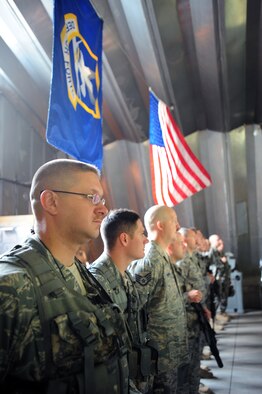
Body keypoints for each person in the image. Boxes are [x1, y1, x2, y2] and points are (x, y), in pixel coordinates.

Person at [0, 159, 130, 394]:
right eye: (92, 197)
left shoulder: (83, 273)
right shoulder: (12, 286)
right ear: (51, 202)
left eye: (101, 199)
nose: (103, 208)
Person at [89, 208, 156, 393]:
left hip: (133, 373)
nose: (146, 239)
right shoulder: (97, 281)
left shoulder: (124, 274)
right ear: (124, 239)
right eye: (142, 233)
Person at [128, 205, 188, 394]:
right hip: (159, 356)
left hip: (170, 351)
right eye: (174, 220)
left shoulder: (162, 257)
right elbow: (134, 310)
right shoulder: (150, 261)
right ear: (160, 225)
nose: (178, 225)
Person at [167, 231, 203, 394]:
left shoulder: (176, 265)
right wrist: (187, 296)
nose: (185, 245)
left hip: (192, 323)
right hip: (182, 330)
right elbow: (166, 301)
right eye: (180, 242)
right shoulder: (169, 267)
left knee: (192, 370)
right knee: (182, 377)